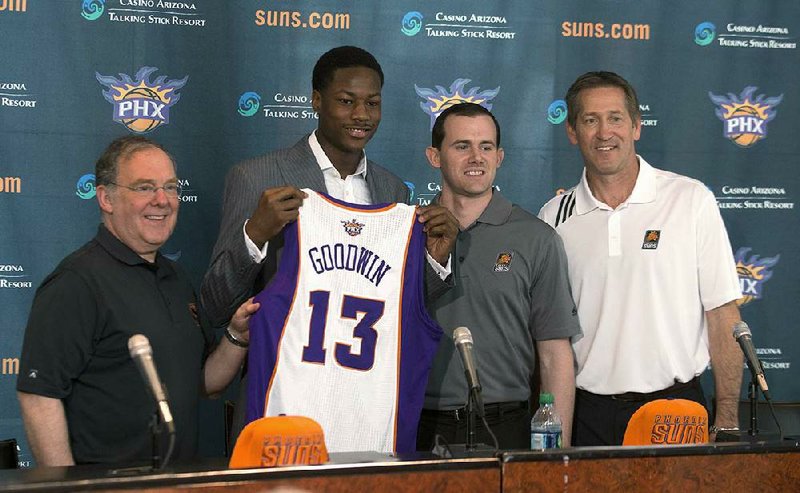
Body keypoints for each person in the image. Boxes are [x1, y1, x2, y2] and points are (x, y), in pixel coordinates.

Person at [200, 45, 457, 444]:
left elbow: (396, 305)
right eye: (346, 101)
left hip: (361, 414)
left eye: (372, 103)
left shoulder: (391, 190)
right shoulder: (257, 178)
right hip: (282, 407)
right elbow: (215, 305)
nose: (362, 115)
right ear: (316, 101)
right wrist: (254, 235)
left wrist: (435, 263)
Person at [16, 136, 259, 466]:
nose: (162, 200)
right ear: (106, 198)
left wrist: (236, 337)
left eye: (171, 188)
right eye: (145, 188)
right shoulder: (77, 282)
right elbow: (39, 396)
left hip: (177, 486)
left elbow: (204, 383)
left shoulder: (177, 278)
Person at [538, 71, 743, 446]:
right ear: (571, 132)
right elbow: (552, 343)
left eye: (615, 118)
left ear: (636, 126)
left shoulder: (690, 199)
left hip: (676, 412)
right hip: (588, 416)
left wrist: (727, 418)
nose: (604, 132)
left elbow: (722, 314)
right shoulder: (553, 217)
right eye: (590, 120)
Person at [417, 103, 581, 451]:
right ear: (434, 156)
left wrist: (557, 448)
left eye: (486, 147)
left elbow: (554, 352)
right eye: (462, 146)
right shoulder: (407, 232)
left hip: (507, 427)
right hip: (420, 426)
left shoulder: (537, 238)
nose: (476, 157)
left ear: (500, 156)